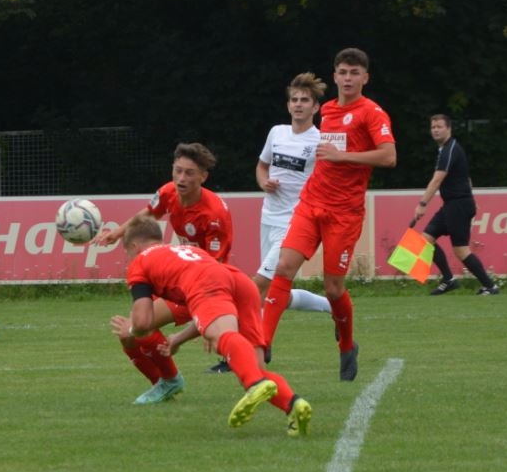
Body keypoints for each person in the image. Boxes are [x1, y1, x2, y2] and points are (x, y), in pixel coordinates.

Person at [261, 48, 396, 382]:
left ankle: (347, 345)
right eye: (343, 72)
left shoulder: (372, 113)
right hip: (311, 204)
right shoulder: (330, 110)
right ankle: (262, 341)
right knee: (284, 268)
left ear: (365, 78)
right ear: (335, 76)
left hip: (344, 213)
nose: (348, 78)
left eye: (354, 73)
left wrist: (342, 156)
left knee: (333, 289)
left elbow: (388, 157)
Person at [109, 214, 312, 436]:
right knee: (254, 365)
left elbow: (143, 322)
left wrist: (131, 329)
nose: (128, 259)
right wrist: (179, 339)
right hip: (238, 280)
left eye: (127, 252)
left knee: (223, 339)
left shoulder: (140, 262)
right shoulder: (184, 251)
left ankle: (254, 384)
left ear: (134, 246)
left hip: (206, 282)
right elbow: (200, 304)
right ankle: (293, 404)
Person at [91, 142, 232, 399]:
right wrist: (116, 233)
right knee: (129, 336)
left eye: (189, 173)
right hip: (177, 279)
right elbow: (147, 214)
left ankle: (170, 381)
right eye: (177, 171)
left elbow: (215, 269)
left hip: (199, 286)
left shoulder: (214, 215)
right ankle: (164, 383)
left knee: (138, 326)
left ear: (203, 177)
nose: (181, 178)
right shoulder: (168, 192)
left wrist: (206, 316)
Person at [254, 73, 333, 314]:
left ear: (315, 107)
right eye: (294, 99)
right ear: (288, 105)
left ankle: (246, 337)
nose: (298, 104)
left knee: (258, 284)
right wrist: (264, 182)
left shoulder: (321, 140)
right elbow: (262, 166)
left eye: (304, 100)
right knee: (272, 291)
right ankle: (331, 306)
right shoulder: (277, 132)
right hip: (269, 216)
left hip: (294, 221)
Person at [414, 114, 500, 296]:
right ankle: (449, 280)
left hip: (458, 206)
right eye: (433, 127)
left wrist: (422, 204)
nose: (435, 130)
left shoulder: (449, 149)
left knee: (461, 251)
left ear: (449, 129)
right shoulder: (446, 149)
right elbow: (466, 176)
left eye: (439, 126)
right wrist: (471, 198)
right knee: (425, 240)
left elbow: (437, 179)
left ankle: (490, 287)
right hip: (452, 205)